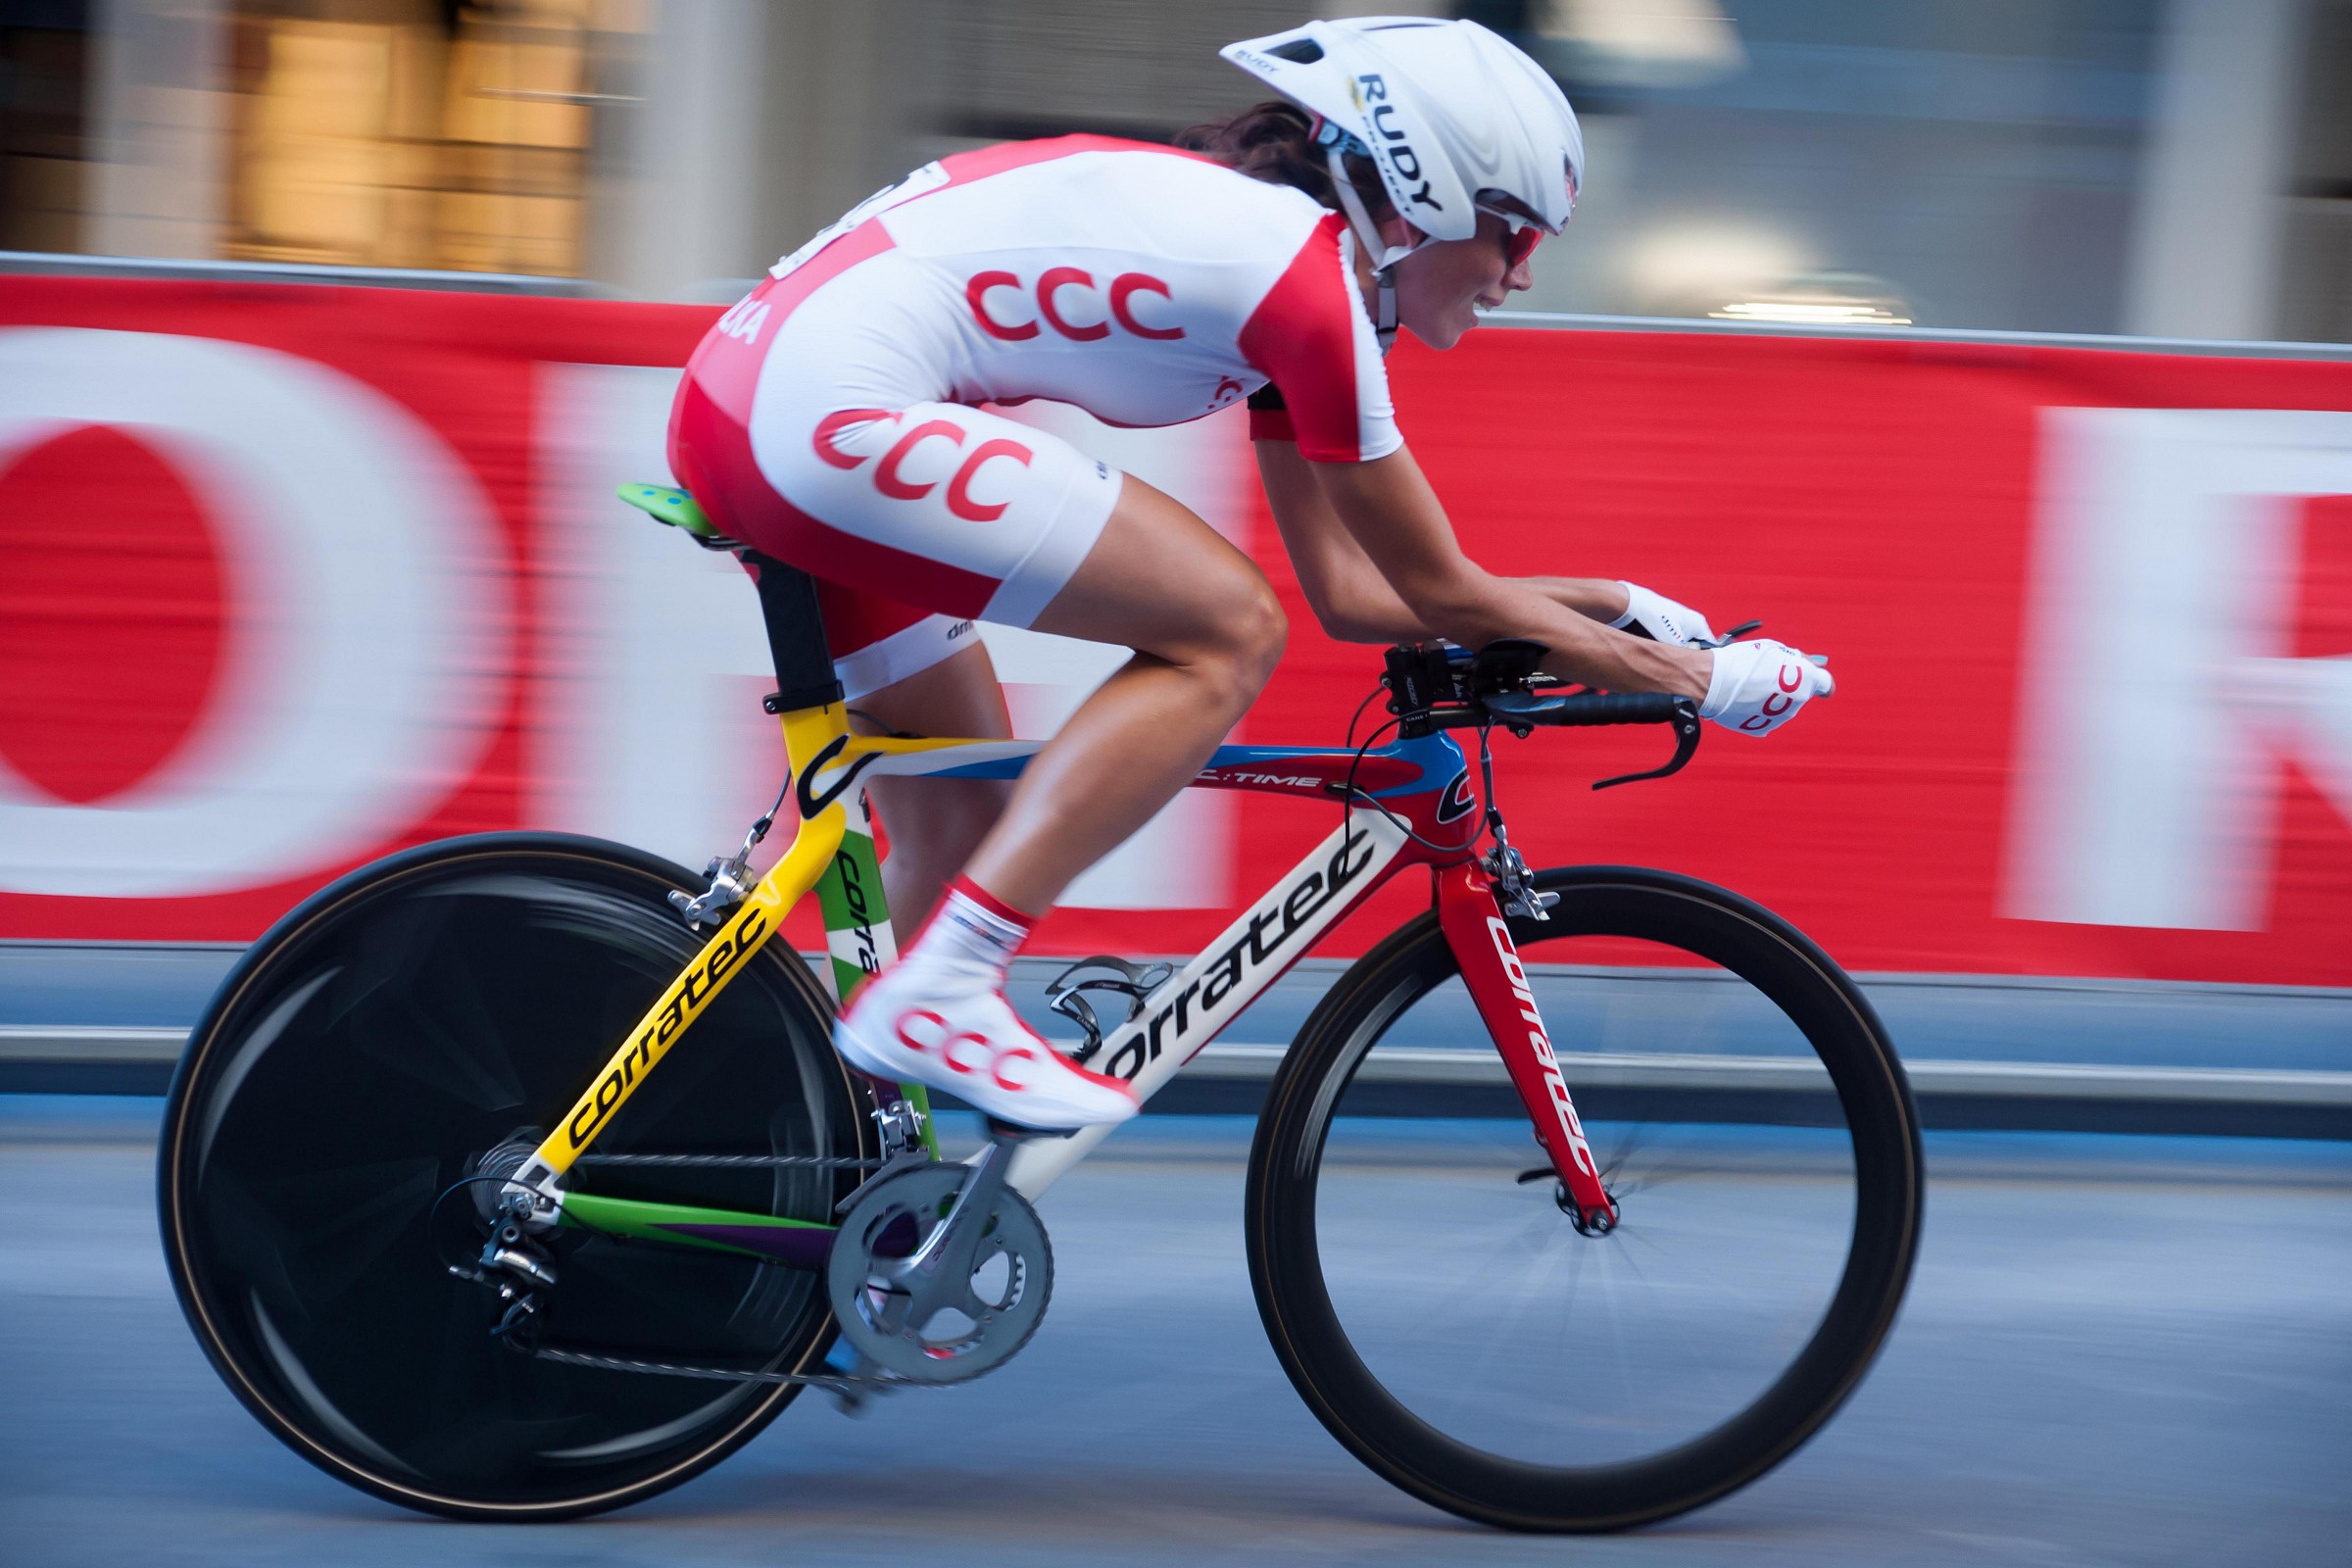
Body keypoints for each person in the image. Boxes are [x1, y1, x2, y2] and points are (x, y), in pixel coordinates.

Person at [665, 16, 1835, 1131]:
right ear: (1428, 192)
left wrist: (1610, 606)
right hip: (815, 418)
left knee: (960, 808)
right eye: (1515, 234)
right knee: (1226, 628)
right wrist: (1695, 676)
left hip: (766, 404)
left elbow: (1358, 597)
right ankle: (946, 993)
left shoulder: (1296, 278)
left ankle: (845, 1173)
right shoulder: (1305, 282)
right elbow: (1436, 593)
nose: (1521, 275)